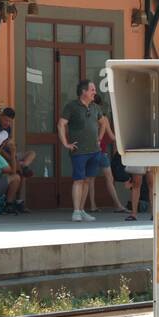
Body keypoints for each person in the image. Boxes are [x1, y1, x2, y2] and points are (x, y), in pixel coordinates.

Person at [58, 78, 109, 223]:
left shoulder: (95, 107)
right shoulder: (71, 106)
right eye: (92, 89)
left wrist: (99, 138)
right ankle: (75, 211)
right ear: (83, 92)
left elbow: (103, 123)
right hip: (79, 151)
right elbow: (61, 124)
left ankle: (81, 210)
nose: (95, 92)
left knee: (88, 181)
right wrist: (66, 143)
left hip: (94, 151)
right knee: (79, 180)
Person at [87, 93, 127, 214]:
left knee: (90, 180)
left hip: (90, 151)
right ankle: (118, 205)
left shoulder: (88, 117)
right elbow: (112, 137)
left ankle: (93, 206)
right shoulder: (104, 118)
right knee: (109, 179)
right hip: (102, 152)